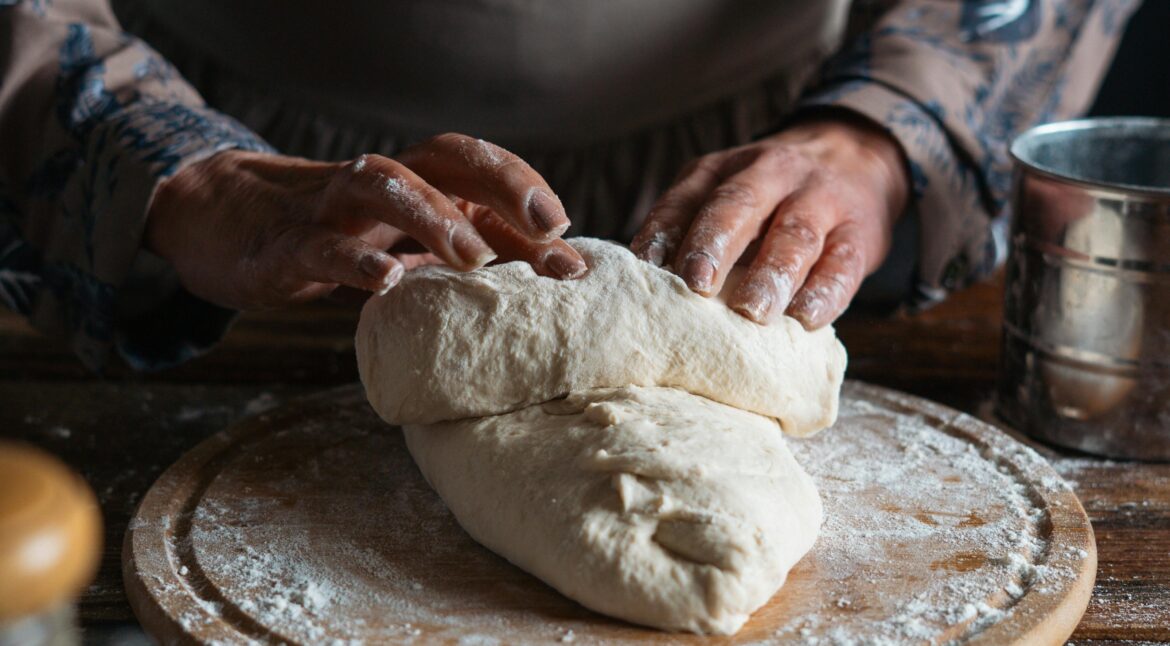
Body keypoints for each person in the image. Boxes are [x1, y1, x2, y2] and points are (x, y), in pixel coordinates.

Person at [0, 0, 1137, 370]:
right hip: (246, 226)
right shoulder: (206, 192)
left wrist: (887, 135)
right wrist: (167, 162)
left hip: (763, 191)